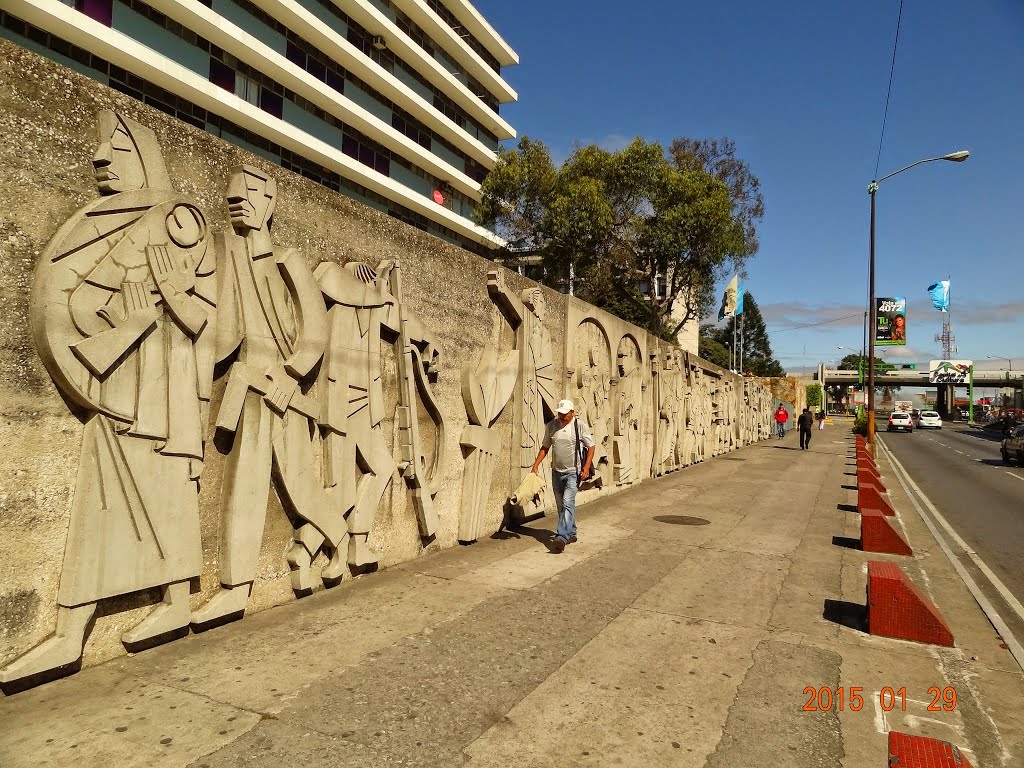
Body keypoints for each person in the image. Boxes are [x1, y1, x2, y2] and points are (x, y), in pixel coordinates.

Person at [530, 399, 595, 553]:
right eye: (560, 413)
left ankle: (561, 537)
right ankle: (571, 532)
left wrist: (585, 468)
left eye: (565, 414)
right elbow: (545, 447)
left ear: (572, 412)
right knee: (561, 505)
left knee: (567, 502)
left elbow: (591, 446)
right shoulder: (552, 426)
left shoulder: (580, 426)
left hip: (573, 472)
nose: (562, 416)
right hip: (556, 471)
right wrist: (536, 465)